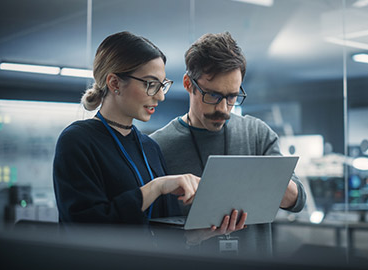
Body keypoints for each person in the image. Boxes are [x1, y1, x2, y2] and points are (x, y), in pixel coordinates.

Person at [53, 31, 246, 234]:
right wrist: (156, 188)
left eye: (162, 85)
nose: (161, 96)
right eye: (151, 85)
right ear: (114, 83)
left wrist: (198, 235)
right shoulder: (77, 141)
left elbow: (164, 230)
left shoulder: (149, 147)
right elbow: (85, 226)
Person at [151, 32, 306, 215]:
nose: (224, 109)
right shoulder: (157, 147)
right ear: (188, 84)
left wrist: (260, 177)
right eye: (213, 95)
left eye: (232, 96)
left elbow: (298, 200)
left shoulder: (257, 134)